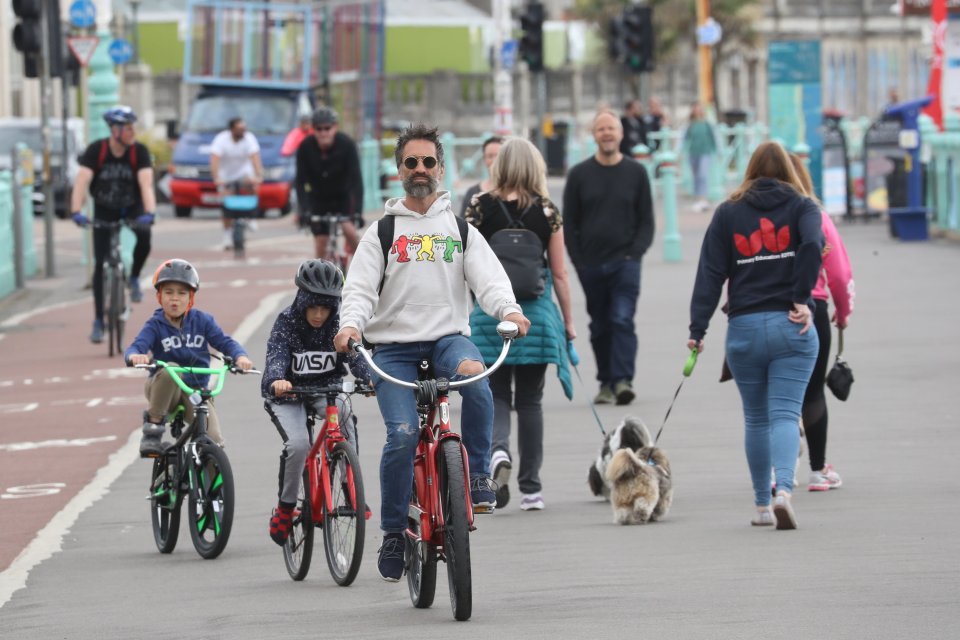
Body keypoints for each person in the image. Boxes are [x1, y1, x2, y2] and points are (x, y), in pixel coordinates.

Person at [333, 123, 531, 582]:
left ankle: (478, 476)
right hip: (394, 350)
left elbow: (491, 280)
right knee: (402, 433)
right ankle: (392, 533)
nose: (420, 170)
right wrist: (348, 327)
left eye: (428, 162)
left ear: (441, 169)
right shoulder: (380, 232)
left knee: (477, 380)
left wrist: (511, 311)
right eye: (410, 162)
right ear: (399, 170)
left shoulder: (459, 228)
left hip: (447, 340)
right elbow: (359, 291)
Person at [687, 141, 823, 530]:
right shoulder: (803, 206)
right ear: (790, 171)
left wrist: (698, 329)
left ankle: (763, 505)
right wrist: (801, 296)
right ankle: (784, 491)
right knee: (784, 413)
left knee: (756, 418)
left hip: (744, 328)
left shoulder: (728, 212)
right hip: (790, 324)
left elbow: (710, 273)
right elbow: (814, 244)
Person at [464, 137, 577, 512]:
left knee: (495, 395)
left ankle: (498, 453)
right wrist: (569, 324)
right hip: (536, 318)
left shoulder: (478, 207)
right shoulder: (547, 211)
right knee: (531, 401)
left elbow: (463, 266)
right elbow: (559, 274)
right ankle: (532, 489)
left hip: (489, 317)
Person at [261, 259, 371, 545]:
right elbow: (277, 354)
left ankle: (350, 489)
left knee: (345, 414)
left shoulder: (337, 325)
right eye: (313, 307)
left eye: (326, 308)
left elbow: (355, 355)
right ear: (302, 302)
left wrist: (370, 379)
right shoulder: (287, 321)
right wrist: (277, 379)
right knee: (298, 445)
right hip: (288, 395)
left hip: (326, 391)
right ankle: (286, 507)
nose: (319, 315)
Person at [562, 109, 655, 405]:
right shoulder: (579, 175)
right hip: (591, 265)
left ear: (621, 133)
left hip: (626, 263)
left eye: (611, 128)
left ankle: (623, 380)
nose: (607, 133)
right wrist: (579, 262)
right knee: (600, 324)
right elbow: (570, 222)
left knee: (622, 318)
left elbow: (647, 220)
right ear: (594, 135)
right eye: (601, 129)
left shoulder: (636, 173)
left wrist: (634, 254)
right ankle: (606, 382)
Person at [125, 259, 254, 457]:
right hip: (165, 390)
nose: (174, 299)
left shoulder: (202, 321)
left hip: (195, 392)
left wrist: (240, 357)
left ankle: (215, 486)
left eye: (181, 293)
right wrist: (136, 356)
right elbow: (136, 346)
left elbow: (226, 343)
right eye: (168, 292)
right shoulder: (155, 325)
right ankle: (153, 428)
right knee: (170, 368)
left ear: (191, 297)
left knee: (214, 443)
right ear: (159, 296)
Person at [788, 153, 855, 492]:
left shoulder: (748, 217)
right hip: (812, 309)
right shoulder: (815, 216)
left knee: (774, 397)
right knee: (812, 392)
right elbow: (840, 275)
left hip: (762, 309)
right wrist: (843, 313)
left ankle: (775, 474)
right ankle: (817, 470)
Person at [70, 106, 156, 344]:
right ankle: (99, 320)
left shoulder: (139, 151)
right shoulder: (97, 150)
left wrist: (149, 212)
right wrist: (76, 210)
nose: (132, 132)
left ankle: (135, 277)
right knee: (100, 264)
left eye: (133, 127)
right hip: (104, 208)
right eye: (128, 128)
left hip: (132, 206)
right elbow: (82, 180)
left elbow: (146, 183)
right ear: (115, 130)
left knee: (145, 235)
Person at [295, 107, 363, 259]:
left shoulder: (347, 145)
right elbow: (300, 182)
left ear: (335, 127)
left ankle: (363, 266)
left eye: (327, 128)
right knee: (321, 243)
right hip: (319, 199)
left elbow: (356, 180)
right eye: (319, 129)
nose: (323, 133)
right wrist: (304, 210)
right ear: (313, 130)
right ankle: (323, 279)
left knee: (350, 231)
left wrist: (358, 211)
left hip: (343, 197)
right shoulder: (305, 147)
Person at [210, 117, 263, 250]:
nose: (242, 132)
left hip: (244, 173)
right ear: (232, 130)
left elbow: (255, 157)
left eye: (244, 129)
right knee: (226, 203)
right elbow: (215, 160)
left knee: (253, 186)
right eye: (239, 129)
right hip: (226, 175)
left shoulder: (249, 138)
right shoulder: (221, 139)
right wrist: (216, 178)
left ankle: (251, 218)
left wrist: (258, 175)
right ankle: (227, 236)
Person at [684, 102, 717, 212]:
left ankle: (703, 199)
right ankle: (698, 198)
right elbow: (684, 139)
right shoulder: (690, 124)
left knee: (702, 175)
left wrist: (718, 151)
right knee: (696, 177)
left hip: (705, 152)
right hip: (693, 153)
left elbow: (714, 138)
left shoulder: (707, 124)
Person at [458, 135, 503, 217]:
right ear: (484, 159)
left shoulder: (516, 192)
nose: (494, 160)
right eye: (490, 156)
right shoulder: (472, 193)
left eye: (498, 156)